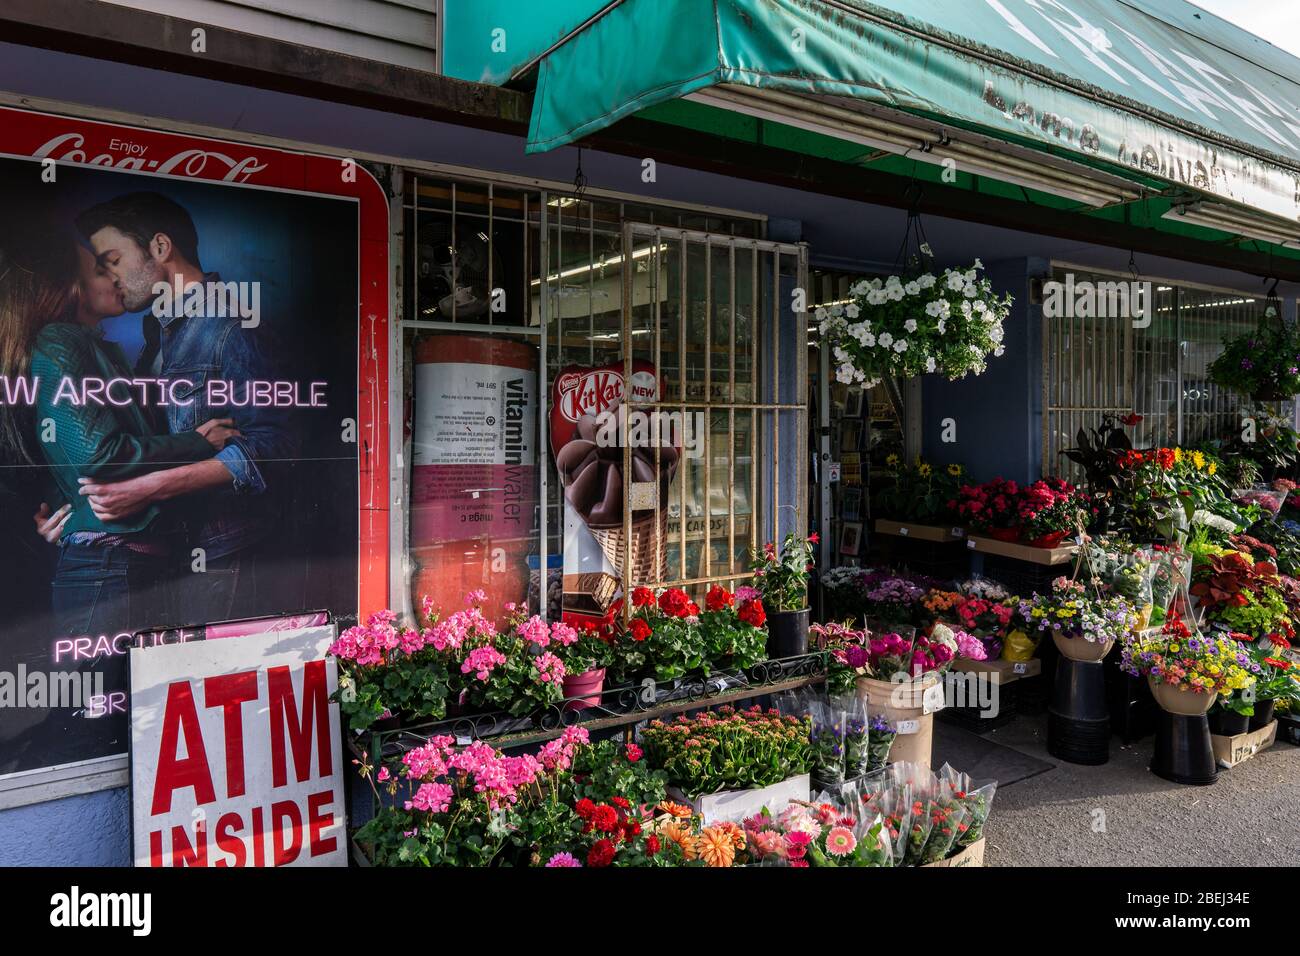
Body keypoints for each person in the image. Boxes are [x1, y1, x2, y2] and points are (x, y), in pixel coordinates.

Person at [74, 191, 301, 625]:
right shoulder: (158, 336)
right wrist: (74, 508)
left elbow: (277, 445)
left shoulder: (232, 327)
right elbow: (144, 443)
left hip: (223, 556)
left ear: (160, 248)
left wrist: (148, 488)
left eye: (113, 260)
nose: (106, 276)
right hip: (168, 550)